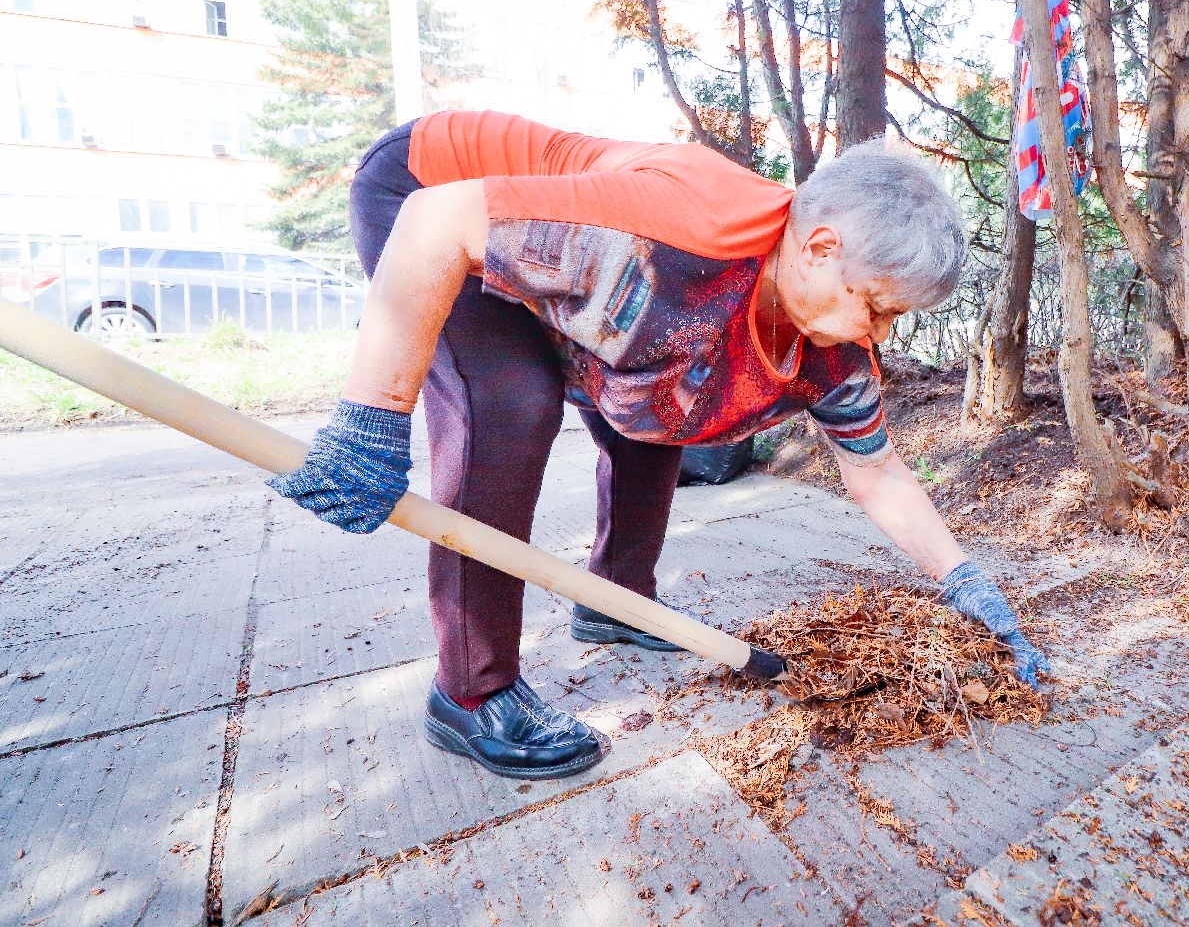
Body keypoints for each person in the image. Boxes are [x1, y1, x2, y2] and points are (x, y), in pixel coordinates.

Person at [270, 110, 1051, 781]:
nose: (878, 335)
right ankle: (470, 692)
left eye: (893, 320)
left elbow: (876, 468)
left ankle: (615, 599)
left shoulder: (831, 349)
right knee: (509, 401)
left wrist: (963, 580)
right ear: (818, 248)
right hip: (428, 195)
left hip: (556, 257)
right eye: (875, 307)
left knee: (678, 393)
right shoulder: (674, 239)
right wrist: (373, 416)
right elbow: (437, 222)